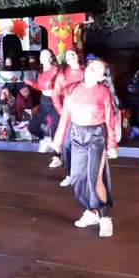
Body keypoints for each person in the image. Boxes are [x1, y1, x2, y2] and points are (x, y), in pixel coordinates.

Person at [52, 58, 120, 238]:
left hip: (96, 136)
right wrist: (58, 141)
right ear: (86, 69)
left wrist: (112, 145)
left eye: (98, 69)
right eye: (91, 67)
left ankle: (105, 218)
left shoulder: (103, 92)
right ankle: (92, 212)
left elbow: (110, 120)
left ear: (101, 76)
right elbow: (65, 116)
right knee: (76, 178)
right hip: (76, 134)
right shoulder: (73, 90)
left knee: (94, 178)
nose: (93, 70)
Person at [53, 50, 85, 186]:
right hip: (69, 113)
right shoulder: (62, 74)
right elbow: (55, 95)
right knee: (67, 144)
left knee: (84, 144)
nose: (71, 57)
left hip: (85, 112)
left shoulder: (86, 71)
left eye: (73, 54)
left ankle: (84, 174)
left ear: (78, 55)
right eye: (68, 56)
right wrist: (61, 110)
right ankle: (69, 174)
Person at [26, 49, 61, 166]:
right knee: (32, 126)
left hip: (54, 101)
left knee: (55, 129)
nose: (41, 57)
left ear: (51, 57)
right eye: (41, 55)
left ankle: (57, 157)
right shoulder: (40, 71)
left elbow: (60, 85)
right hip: (44, 101)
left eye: (45, 55)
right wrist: (31, 84)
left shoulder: (56, 70)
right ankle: (45, 139)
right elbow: (41, 87)